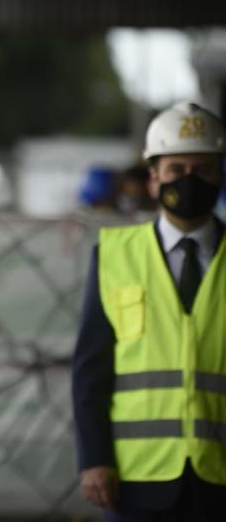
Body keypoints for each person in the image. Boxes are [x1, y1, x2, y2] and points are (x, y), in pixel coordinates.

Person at [72, 101, 226, 521]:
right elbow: (91, 370)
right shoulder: (114, 255)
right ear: (154, 176)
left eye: (204, 168)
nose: (190, 179)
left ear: (220, 174)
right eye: (177, 169)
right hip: (135, 477)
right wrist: (93, 458)